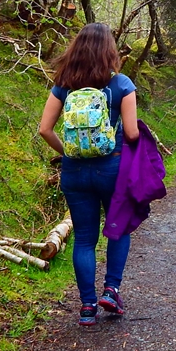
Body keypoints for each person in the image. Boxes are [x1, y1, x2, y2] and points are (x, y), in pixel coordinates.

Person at [39, 23, 140, 327]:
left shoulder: (64, 84)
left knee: (84, 238)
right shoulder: (121, 84)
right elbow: (132, 133)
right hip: (111, 170)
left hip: (75, 172)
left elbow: (45, 129)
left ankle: (87, 307)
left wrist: (69, 152)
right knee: (118, 228)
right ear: (110, 50)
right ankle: (111, 290)